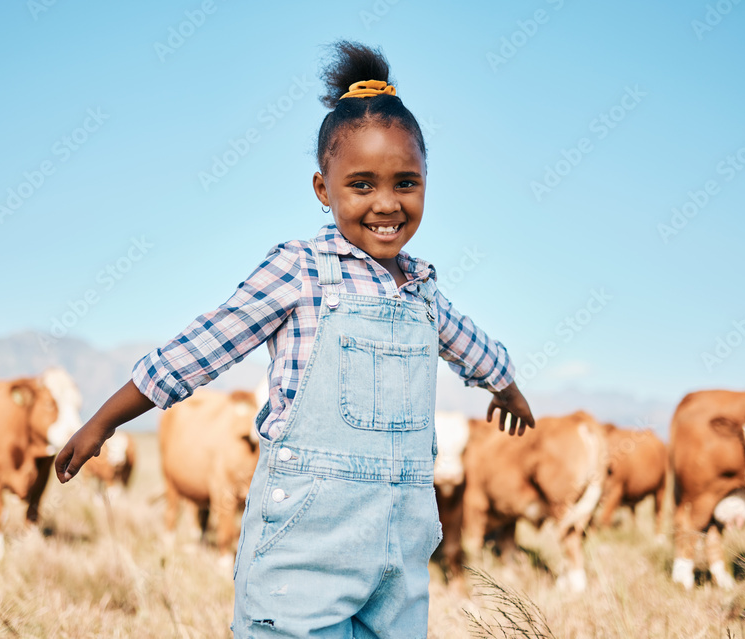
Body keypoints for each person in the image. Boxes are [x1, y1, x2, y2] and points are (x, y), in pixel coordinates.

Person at [55, 40, 535, 639]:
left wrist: (507, 387)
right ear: (322, 188)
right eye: (361, 185)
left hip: (401, 559)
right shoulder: (301, 271)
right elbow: (205, 344)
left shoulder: (423, 290)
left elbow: (471, 344)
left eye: (406, 183)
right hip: (305, 550)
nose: (386, 204)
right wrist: (104, 420)